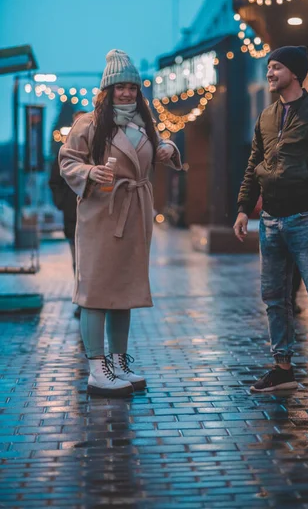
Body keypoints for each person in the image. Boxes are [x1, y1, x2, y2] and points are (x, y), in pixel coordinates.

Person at [59, 49, 182, 397]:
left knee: (125, 291)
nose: (126, 92)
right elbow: (67, 160)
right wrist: (88, 171)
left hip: (134, 213)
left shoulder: (143, 121)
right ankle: (97, 368)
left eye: (132, 86)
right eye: (119, 87)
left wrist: (169, 147)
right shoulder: (89, 123)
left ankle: (118, 362)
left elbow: (158, 148)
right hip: (101, 214)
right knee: (96, 292)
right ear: (107, 90)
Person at [234, 46, 308, 397]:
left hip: (307, 218)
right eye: (268, 67)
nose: (270, 73)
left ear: (295, 73)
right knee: (274, 297)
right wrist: (243, 209)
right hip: (270, 220)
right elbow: (254, 164)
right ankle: (282, 369)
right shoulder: (267, 117)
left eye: (276, 67)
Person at [49, 111, 86, 318]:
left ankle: (92, 301)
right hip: (72, 217)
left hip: (95, 218)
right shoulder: (64, 151)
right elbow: (55, 182)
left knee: (94, 261)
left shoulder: (97, 149)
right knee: (78, 261)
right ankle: (82, 300)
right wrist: (63, 204)